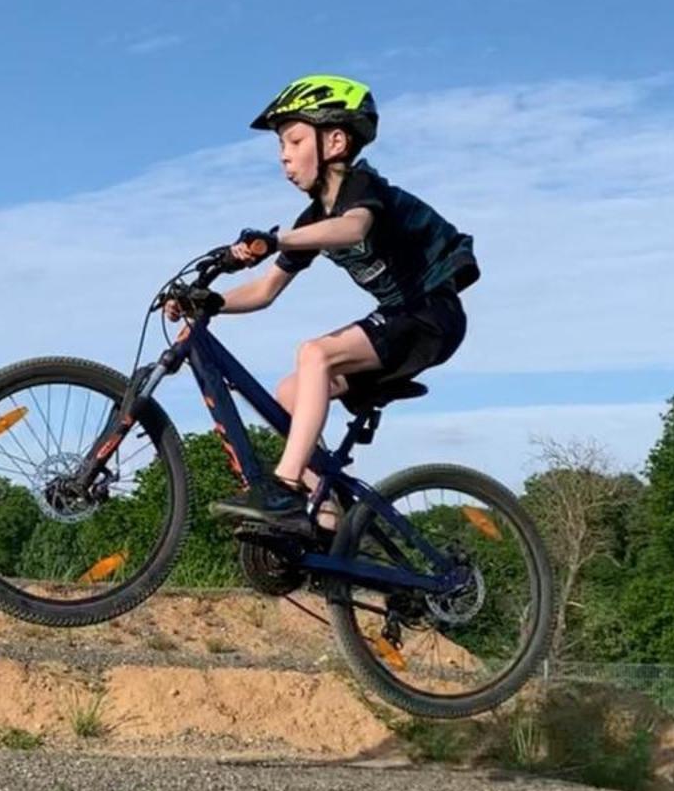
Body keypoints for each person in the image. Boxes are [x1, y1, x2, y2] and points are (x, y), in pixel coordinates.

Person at [166, 74, 479, 532]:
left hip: (431, 314)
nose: (284, 158)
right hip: (399, 323)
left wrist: (275, 240)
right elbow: (265, 291)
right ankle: (327, 513)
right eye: (280, 149)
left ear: (334, 140)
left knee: (316, 353)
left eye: (293, 140)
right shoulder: (312, 219)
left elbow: (353, 228)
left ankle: (286, 486)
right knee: (289, 394)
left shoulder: (361, 188)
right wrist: (208, 303)